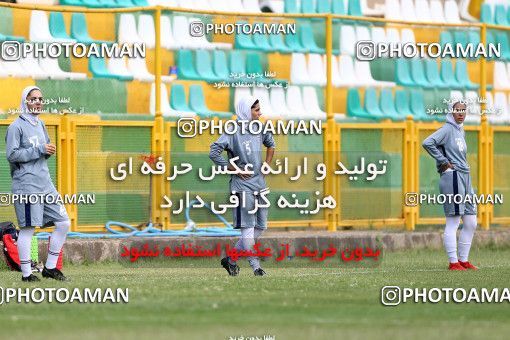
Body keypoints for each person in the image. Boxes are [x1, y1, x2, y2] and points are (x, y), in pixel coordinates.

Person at [5, 86, 71, 281]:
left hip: (45, 184)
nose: (38, 102)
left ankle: (50, 267)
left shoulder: (40, 124)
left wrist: (47, 150)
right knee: (28, 229)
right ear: (25, 101)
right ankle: (26, 274)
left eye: (40, 99)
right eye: (33, 99)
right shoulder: (15, 127)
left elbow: (43, 149)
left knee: (63, 223)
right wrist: (39, 150)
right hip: (27, 185)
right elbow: (12, 154)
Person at [209, 96, 275, 276]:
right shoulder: (232, 130)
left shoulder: (260, 127)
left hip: (259, 184)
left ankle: (230, 260)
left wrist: (267, 164)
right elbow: (213, 152)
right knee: (247, 228)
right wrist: (234, 168)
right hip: (241, 186)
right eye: (256, 110)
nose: (260, 113)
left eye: (259, 109)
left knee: (260, 226)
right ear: (246, 111)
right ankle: (257, 267)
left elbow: (271, 145)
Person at [422, 100, 478, 271]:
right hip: (452, 177)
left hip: (465, 177)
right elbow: (427, 142)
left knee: (471, 221)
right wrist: (444, 162)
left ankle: (463, 260)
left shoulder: (461, 131)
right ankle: (453, 262)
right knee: (453, 221)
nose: (461, 113)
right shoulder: (446, 129)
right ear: (451, 112)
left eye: (463, 110)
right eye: (457, 110)